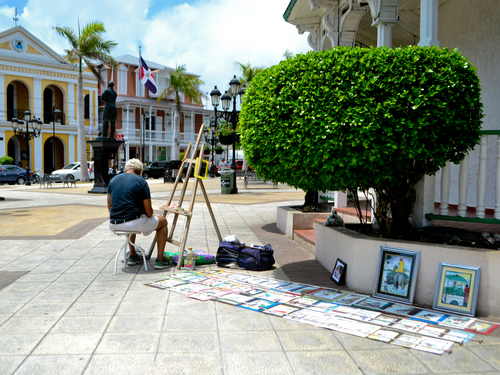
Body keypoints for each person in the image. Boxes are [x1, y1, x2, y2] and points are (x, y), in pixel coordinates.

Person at [107, 158, 169, 269]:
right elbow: (149, 213)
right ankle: (160, 259)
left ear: (126, 169)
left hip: (113, 224)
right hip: (132, 223)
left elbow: (109, 207)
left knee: (133, 216)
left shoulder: (113, 180)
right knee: (163, 221)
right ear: (139, 171)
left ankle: (132, 255)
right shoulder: (141, 181)